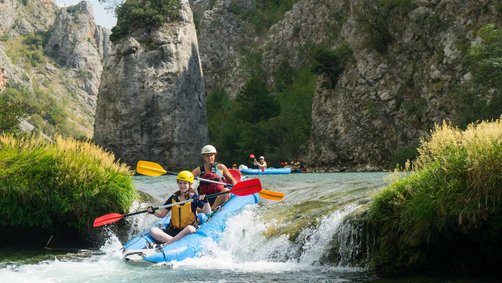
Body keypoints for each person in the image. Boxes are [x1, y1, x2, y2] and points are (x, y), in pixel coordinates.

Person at [147, 171, 211, 246]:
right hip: (173, 230)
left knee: (190, 229)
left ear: (189, 184)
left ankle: (166, 244)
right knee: (152, 230)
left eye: (185, 183)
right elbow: (162, 214)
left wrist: (206, 202)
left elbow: (208, 212)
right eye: (180, 183)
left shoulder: (194, 198)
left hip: (187, 232)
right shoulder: (174, 197)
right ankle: (174, 242)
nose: (182, 186)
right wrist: (153, 212)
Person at [192, 145, 237, 209]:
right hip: (205, 198)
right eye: (207, 155)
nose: (210, 157)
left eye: (211, 155)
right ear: (203, 157)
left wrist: (237, 188)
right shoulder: (198, 170)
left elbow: (232, 180)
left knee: (226, 190)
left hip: (220, 196)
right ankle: (209, 210)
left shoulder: (221, 167)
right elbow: (188, 182)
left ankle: (211, 210)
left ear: (214, 155)